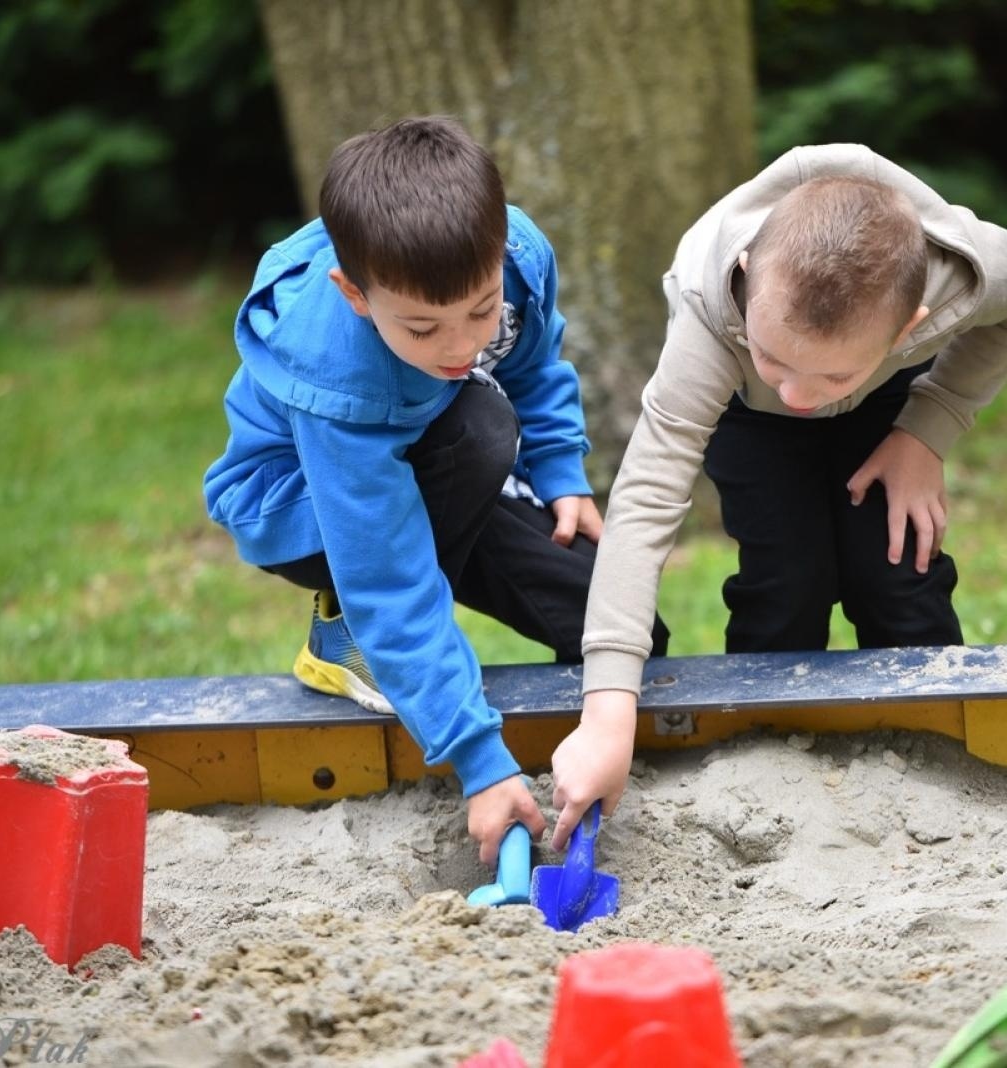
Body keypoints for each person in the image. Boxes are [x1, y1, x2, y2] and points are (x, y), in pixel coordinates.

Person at [549, 144, 1007, 848]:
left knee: (897, 571)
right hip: (742, 410)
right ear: (751, 277)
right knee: (787, 581)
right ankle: (757, 773)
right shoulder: (711, 312)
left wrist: (927, 432)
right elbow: (645, 499)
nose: (798, 395)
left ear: (914, 325)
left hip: (882, 400)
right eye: (778, 360)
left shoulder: (965, 273)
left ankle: (946, 765)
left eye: (823, 377)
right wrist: (606, 716)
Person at [203, 116, 664, 863]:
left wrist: (559, 471)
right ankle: (340, 637)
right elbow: (388, 574)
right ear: (354, 293)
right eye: (422, 328)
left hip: (437, 467)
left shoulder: (517, 256)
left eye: (480, 311)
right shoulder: (339, 376)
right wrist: (482, 763)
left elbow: (534, 363)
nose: (461, 345)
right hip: (303, 506)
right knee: (480, 422)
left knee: (608, 614)